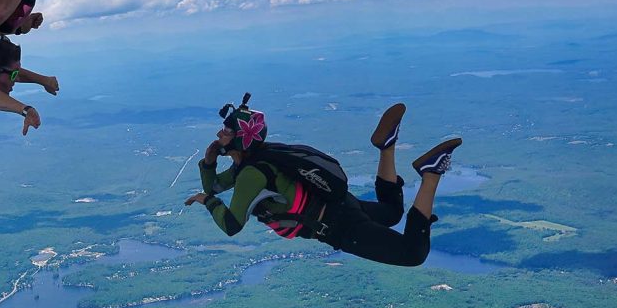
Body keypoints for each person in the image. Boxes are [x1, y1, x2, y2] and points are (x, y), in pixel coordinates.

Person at [184, 98, 461, 267]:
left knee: (412, 253)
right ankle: (387, 147)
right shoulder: (257, 161)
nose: (220, 134)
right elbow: (217, 185)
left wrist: (206, 201)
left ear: (240, 139)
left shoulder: (250, 174)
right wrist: (208, 163)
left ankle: (431, 174)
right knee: (391, 212)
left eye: (227, 131)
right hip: (339, 204)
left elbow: (232, 225)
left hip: (338, 226)